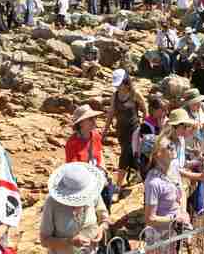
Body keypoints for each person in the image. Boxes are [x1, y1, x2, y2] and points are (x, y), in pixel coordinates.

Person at [40, 163, 111, 254]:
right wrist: (69, 241)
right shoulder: (52, 204)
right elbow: (44, 240)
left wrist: (101, 229)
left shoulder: (92, 193)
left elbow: (104, 217)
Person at [102, 69, 148, 202]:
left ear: (126, 81)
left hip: (134, 131)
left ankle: (118, 187)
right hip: (121, 131)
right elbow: (111, 113)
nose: (118, 86)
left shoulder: (134, 94)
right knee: (131, 155)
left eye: (120, 83)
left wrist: (144, 127)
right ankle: (138, 174)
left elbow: (145, 109)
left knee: (124, 155)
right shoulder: (115, 96)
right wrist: (104, 132)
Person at [144, 135, 191, 250]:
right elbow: (150, 218)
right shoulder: (153, 183)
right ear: (158, 154)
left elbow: (182, 192)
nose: (173, 146)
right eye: (169, 146)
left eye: (172, 143)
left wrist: (183, 213)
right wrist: (175, 220)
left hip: (174, 233)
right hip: (159, 239)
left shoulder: (173, 167)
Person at [64, 105, 114, 212]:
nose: (94, 121)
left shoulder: (95, 135)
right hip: (85, 182)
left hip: (99, 176)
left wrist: (103, 172)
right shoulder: (72, 143)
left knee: (105, 205)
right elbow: (73, 168)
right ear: (81, 123)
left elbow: (100, 153)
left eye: (94, 118)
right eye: (90, 119)